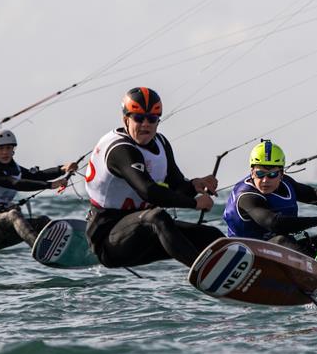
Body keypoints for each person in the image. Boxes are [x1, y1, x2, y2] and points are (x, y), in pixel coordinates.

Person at [84, 87, 223, 268]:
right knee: (157, 217)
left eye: (152, 119)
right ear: (126, 119)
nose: (146, 124)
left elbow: (176, 187)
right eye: (139, 118)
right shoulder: (120, 150)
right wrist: (195, 204)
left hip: (145, 235)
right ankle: (204, 274)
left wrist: (194, 185)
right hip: (109, 242)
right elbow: (149, 192)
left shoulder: (161, 143)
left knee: (212, 237)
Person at [222, 139, 317, 256]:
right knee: (283, 241)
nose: (265, 180)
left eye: (272, 174)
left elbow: (308, 193)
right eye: (260, 174)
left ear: (281, 174)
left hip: (279, 251)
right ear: (252, 172)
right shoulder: (246, 196)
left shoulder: (286, 183)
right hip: (247, 255)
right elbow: (274, 223)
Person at [0, 129, 76, 252]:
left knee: (43, 222)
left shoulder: (13, 169)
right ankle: (40, 251)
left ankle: (68, 250)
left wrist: (62, 169)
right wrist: (50, 185)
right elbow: (15, 183)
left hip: (1, 230)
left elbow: (37, 176)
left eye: (9, 148)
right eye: (0, 149)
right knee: (13, 215)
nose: (5, 152)